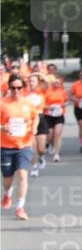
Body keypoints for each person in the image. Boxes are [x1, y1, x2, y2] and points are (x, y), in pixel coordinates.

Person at [1, 74, 38, 220]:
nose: (16, 91)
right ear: (9, 87)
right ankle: (7, 194)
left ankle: (20, 208)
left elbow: (36, 117)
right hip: (5, 145)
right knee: (7, 177)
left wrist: (34, 127)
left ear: (23, 88)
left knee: (22, 175)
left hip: (24, 144)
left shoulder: (27, 104)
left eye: (19, 88)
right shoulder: (2, 103)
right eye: (13, 88)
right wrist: (2, 127)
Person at [25, 72, 48, 176]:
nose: (31, 83)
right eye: (30, 81)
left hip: (41, 119)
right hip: (29, 121)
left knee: (41, 148)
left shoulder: (41, 91)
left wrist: (38, 74)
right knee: (32, 146)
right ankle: (34, 167)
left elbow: (47, 82)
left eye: (33, 81)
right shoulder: (24, 93)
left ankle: (41, 157)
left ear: (38, 83)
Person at [43, 68, 67, 162]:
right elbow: (42, 105)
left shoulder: (62, 91)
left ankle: (56, 154)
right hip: (48, 115)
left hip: (59, 115)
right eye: (55, 83)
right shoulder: (47, 92)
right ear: (52, 83)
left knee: (57, 134)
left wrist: (63, 105)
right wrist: (49, 107)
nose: (57, 84)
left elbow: (65, 102)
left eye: (58, 83)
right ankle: (51, 144)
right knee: (50, 135)